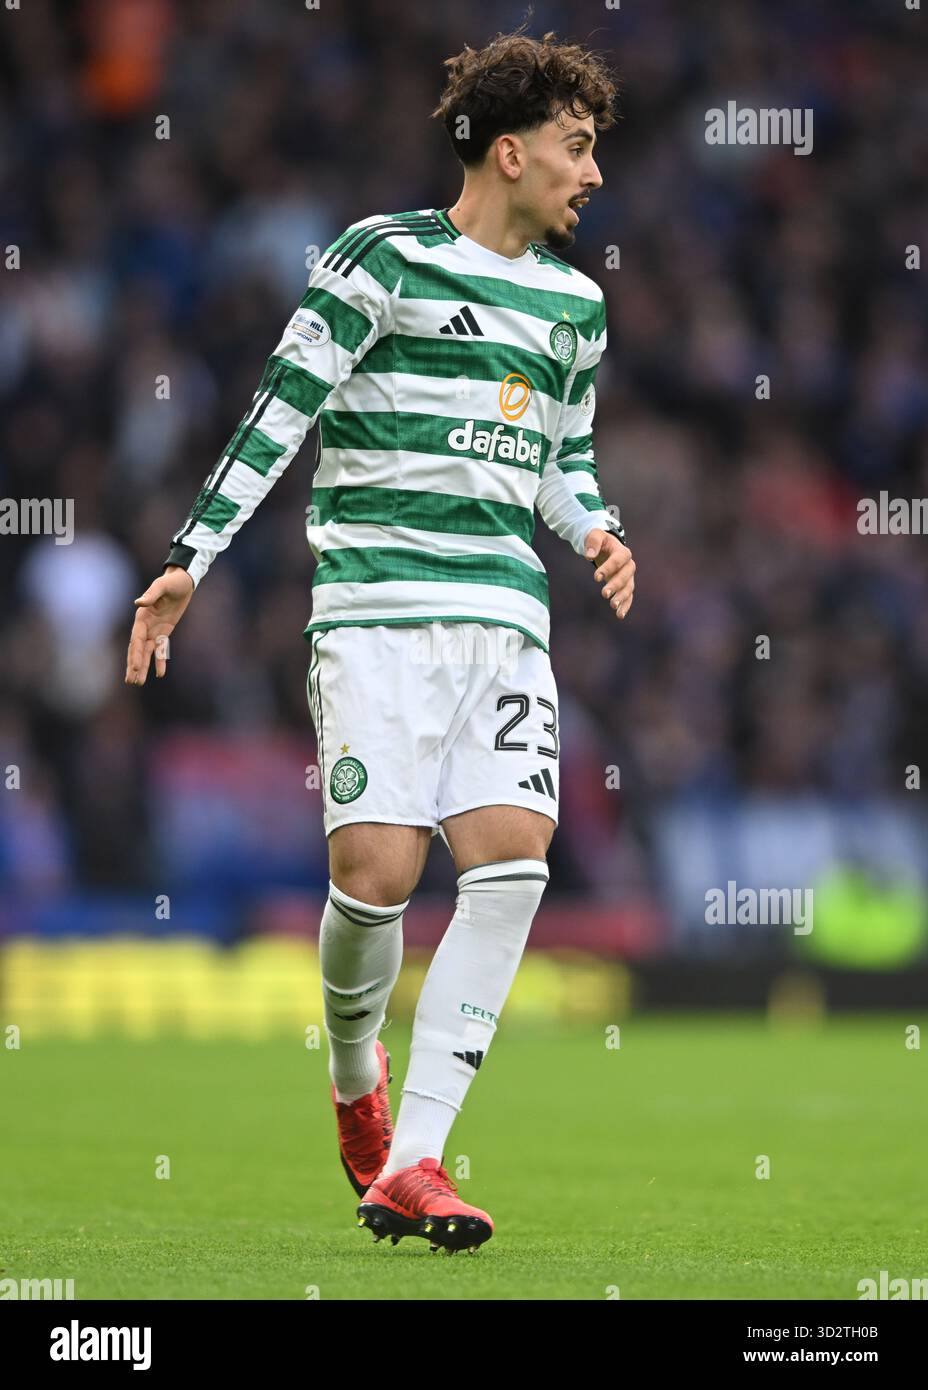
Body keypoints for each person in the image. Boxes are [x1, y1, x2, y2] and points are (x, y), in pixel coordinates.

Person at [125, 27, 636, 1254]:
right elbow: (279, 412)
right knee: (379, 880)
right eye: (576, 148)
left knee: (514, 861)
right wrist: (192, 557)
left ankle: (416, 1157)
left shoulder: (576, 307)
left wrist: (599, 529)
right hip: (376, 616)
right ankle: (357, 1076)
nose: (593, 175)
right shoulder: (381, 259)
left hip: (505, 623)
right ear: (509, 153)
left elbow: (558, 463)